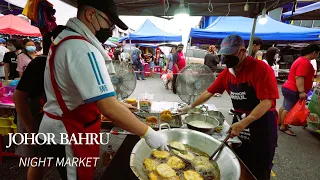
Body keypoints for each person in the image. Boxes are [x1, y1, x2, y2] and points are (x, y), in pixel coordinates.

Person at [37, 1, 166, 179]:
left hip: (61, 126)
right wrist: (147, 132)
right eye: (109, 22)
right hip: (68, 132)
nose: (110, 29)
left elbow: (77, 90)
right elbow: (109, 108)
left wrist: (116, 104)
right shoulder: (82, 48)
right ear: (90, 15)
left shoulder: (65, 40)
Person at [180, 35, 279, 180]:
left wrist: (246, 122)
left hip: (262, 125)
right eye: (224, 54)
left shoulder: (260, 68)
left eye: (230, 54)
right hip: (240, 121)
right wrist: (190, 106)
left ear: (242, 51)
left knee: (259, 167)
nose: (226, 58)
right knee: (239, 160)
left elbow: (267, 102)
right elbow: (209, 92)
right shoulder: (227, 74)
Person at [13, 25, 66, 180]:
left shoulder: (59, 62)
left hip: (47, 116)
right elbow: (18, 98)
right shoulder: (39, 64)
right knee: (38, 159)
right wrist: (31, 130)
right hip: (31, 116)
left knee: (47, 157)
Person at [279, 44, 319, 136]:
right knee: (288, 109)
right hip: (293, 89)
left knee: (285, 107)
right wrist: (301, 91)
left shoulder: (300, 60)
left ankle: (280, 122)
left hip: (289, 87)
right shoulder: (304, 62)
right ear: (314, 53)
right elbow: (299, 77)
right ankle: (283, 127)